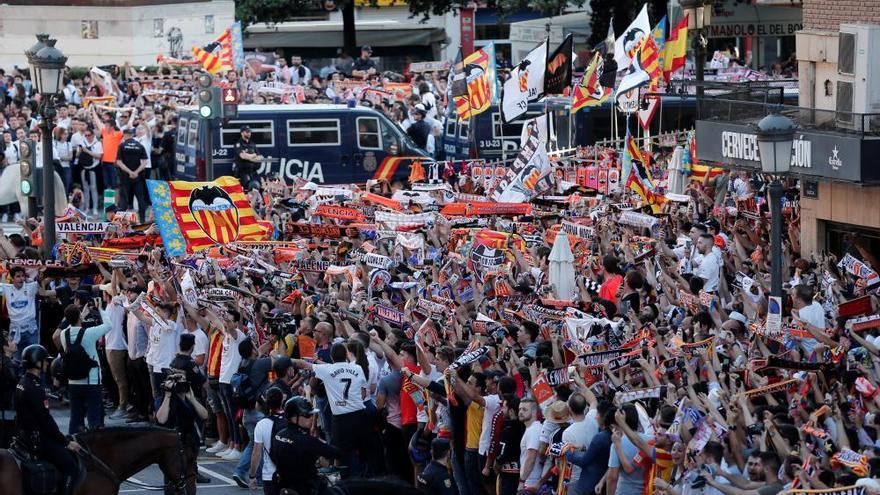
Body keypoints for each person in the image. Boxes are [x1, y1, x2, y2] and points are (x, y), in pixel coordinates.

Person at [292, 342, 383, 477]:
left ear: (331, 356)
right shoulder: (357, 368)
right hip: (360, 416)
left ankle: (348, 484)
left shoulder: (327, 369)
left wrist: (280, 359)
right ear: (346, 355)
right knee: (366, 452)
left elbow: (302, 364)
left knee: (343, 455)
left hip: (341, 420)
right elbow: (364, 393)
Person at [15, 345, 82, 495]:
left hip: (23, 436)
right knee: (71, 467)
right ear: (37, 362)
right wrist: (66, 442)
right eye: (45, 361)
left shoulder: (22, 382)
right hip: (38, 440)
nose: (46, 364)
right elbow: (45, 421)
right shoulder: (35, 388)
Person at [269, 395, 343, 495]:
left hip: (281, 486)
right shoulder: (307, 441)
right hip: (305, 489)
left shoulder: (279, 435)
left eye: (312, 415)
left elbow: (272, 455)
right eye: (308, 415)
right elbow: (336, 453)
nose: (312, 418)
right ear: (294, 418)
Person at [155, 365, 209, 495]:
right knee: (171, 484)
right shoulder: (163, 398)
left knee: (190, 486)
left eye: (182, 380)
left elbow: (204, 415)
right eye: (177, 381)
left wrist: (191, 398)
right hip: (171, 448)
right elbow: (161, 419)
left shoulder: (190, 400)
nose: (180, 384)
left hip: (189, 446)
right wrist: (168, 396)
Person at [59, 302, 112, 434]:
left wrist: (80, 315)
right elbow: (108, 325)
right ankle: (94, 447)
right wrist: (100, 309)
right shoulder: (89, 333)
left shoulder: (63, 335)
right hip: (91, 381)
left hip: (73, 382)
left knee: (75, 418)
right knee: (94, 419)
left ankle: (74, 445)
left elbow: (71, 324)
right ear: (80, 318)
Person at [247, 387, 287, 494]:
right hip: (290, 473)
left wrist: (252, 475)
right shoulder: (290, 420)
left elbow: (256, 454)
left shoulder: (261, 425)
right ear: (282, 400)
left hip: (270, 475)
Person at [2, 266, 40, 362]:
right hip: (15, 332)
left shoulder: (31, 286)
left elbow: (43, 284)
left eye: (23, 276)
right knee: (16, 362)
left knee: (34, 359)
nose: (21, 279)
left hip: (30, 331)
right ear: (12, 278)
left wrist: (41, 272)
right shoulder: (6, 288)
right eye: (18, 276)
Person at [115, 127, 149, 222]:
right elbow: (145, 162)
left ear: (125, 135)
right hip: (138, 177)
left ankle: (120, 222)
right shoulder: (139, 145)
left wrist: (129, 172)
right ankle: (142, 221)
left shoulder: (122, 146)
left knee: (123, 200)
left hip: (125, 177)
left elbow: (119, 162)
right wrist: (136, 172)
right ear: (133, 135)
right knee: (140, 199)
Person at [0, 331, 17, 449]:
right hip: (6, 412)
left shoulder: (9, 362)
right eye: (10, 340)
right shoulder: (7, 365)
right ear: (5, 346)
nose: (14, 342)